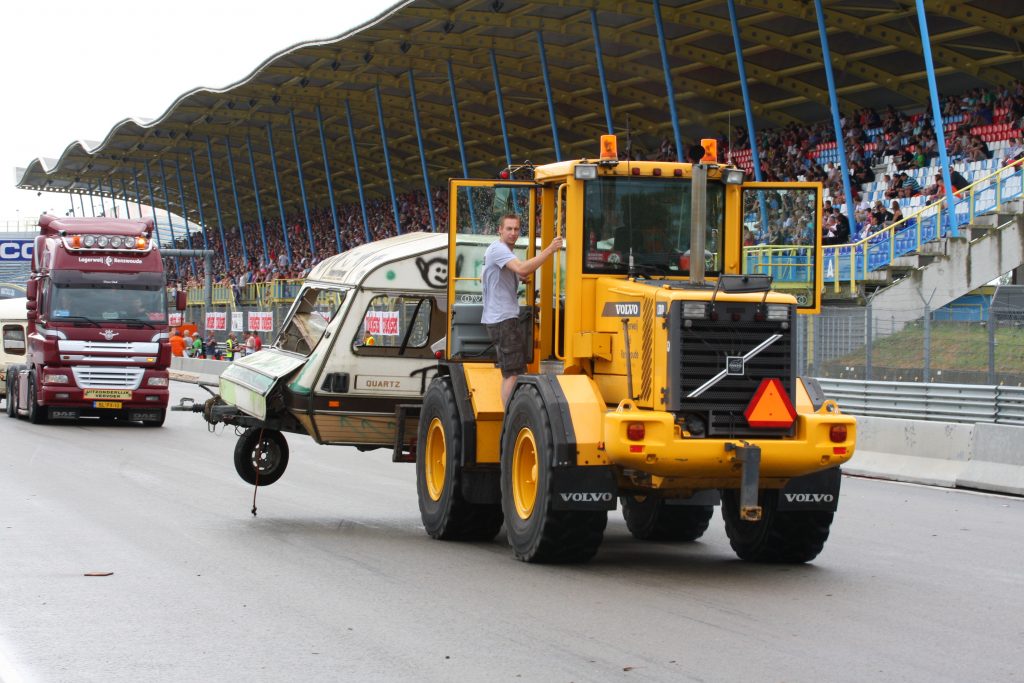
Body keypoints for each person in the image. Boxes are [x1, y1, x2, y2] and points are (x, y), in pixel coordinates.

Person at [481, 213, 562, 406]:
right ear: (499, 230)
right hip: (503, 319)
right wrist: (550, 249)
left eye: (516, 229)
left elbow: (497, 276)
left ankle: (509, 414)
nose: (513, 233)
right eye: (508, 229)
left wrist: (517, 278)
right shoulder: (499, 249)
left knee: (514, 371)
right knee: (513, 373)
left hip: (500, 318)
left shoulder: (500, 251)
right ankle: (509, 417)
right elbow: (523, 268)